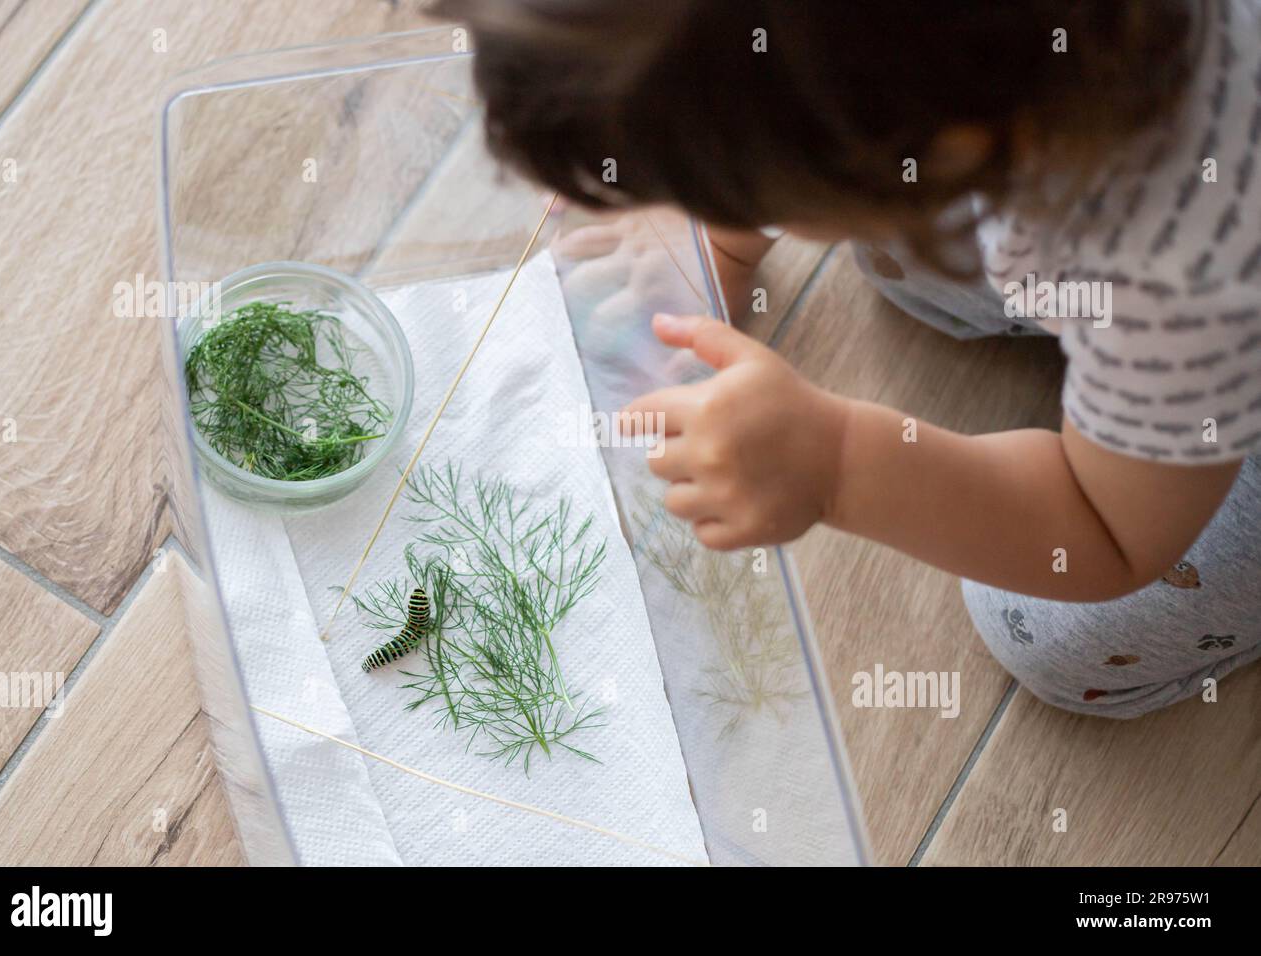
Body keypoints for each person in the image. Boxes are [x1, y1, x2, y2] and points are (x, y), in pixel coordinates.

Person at [435, 0, 1261, 717]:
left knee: (1048, 632)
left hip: (1209, 329)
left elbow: (1110, 534)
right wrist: (724, 230)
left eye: (709, 191)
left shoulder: (1175, 255)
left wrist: (837, 464)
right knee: (909, 269)